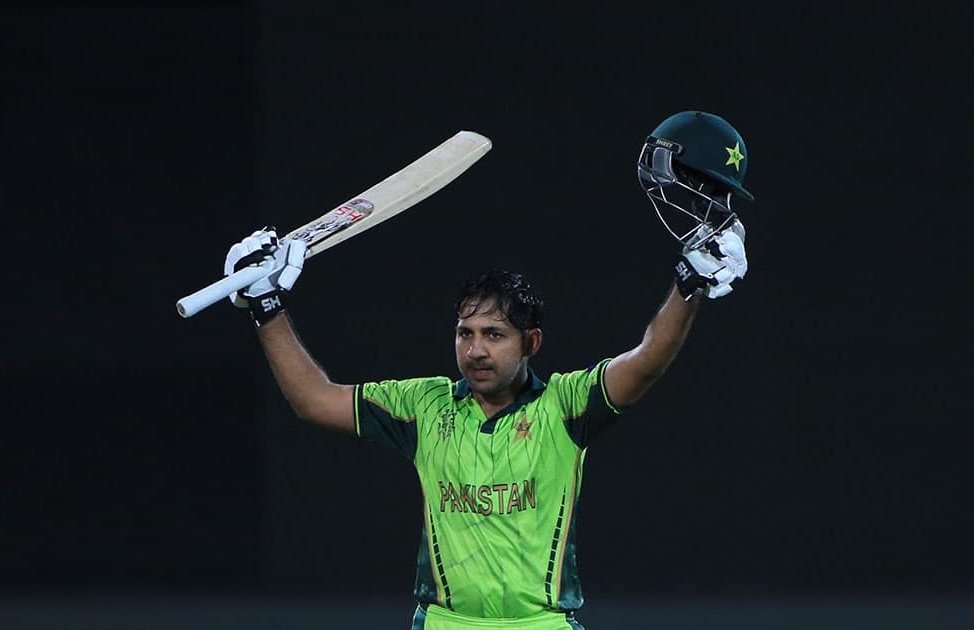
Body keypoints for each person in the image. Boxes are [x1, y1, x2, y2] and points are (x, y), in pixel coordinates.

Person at [222, 110, 752, 629]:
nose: (475, 350)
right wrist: (267, 308)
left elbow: (647, 359)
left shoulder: (565, 406)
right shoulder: (424, 406)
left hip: (542, 624)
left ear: (532, 343)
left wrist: (689, 284)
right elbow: (313, 400)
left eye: (494, 335)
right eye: (465, 333)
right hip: (445, 623)